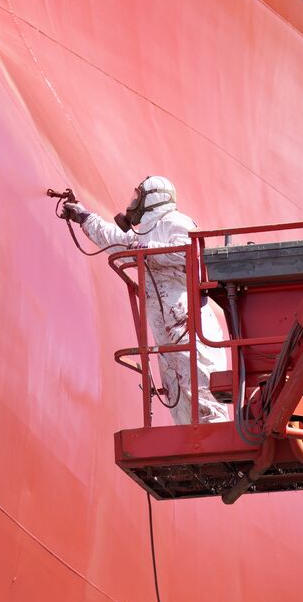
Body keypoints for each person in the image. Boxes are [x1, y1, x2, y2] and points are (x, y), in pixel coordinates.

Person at [63, 176, 228, 423]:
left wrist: (144, 249)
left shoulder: (177, 222)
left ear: (152, 198)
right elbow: (117, 241)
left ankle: (215, 439)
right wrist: (84, 218)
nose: (133, 203)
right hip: (168, 331)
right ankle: (192, 444)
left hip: (190, 325)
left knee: (201, 388)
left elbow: (185, 254)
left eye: (137, 196)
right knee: (177, 394)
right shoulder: (147, 234)